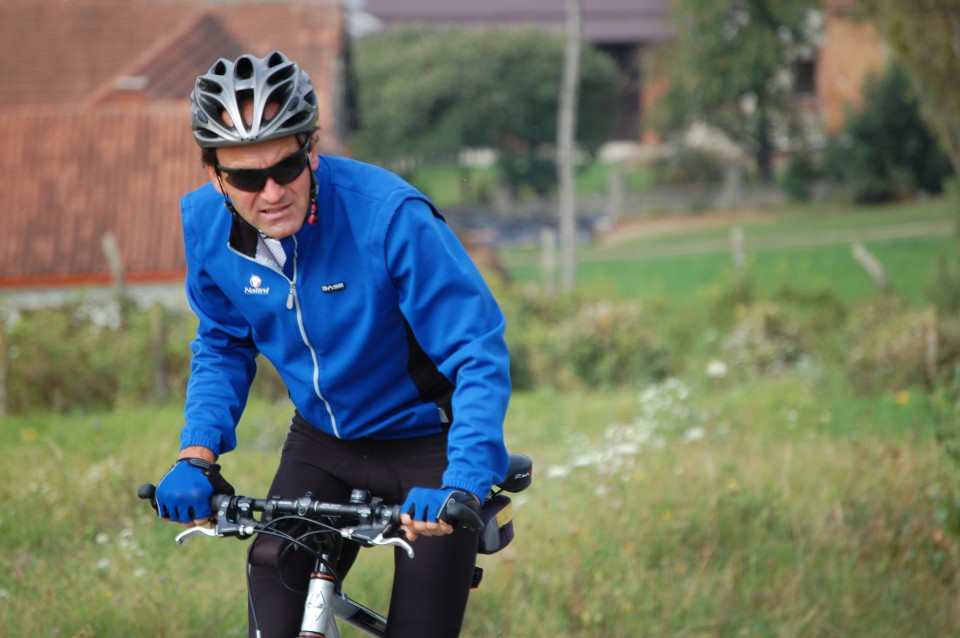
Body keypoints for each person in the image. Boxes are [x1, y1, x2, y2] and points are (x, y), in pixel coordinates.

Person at [152, 50, 511, 638]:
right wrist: (197, 452)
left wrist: (463, 478)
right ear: (216, 176)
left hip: (428, 444)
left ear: (312, 149)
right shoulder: (205, 227)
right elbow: (223, 342)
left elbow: (478, 350)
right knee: (273, 591)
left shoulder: (390, 217)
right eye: (245, 177)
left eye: (287, 166)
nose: (271, 192)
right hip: (324, 442)